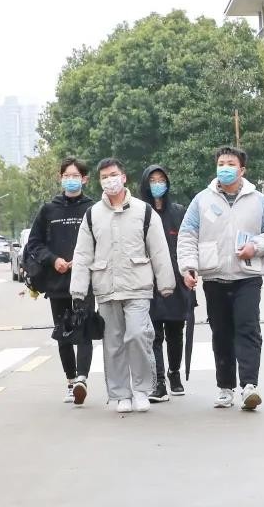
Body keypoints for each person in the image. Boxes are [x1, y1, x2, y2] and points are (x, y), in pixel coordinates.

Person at [177, 146, 264, 411]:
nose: (225, 168)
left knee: (248, 328)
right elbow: (188, 235)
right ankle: (225, 387)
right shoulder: (202, 200)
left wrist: (255, 246)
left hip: (247, 277)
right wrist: (188, 267)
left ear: (242, 170)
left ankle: (249, 385)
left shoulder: (258, 200)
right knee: (221, 333)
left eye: (231, 164)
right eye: (221, 163)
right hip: (214, 277)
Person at [70, 158, 175, 415]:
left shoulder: (144, 211)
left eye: (114, 174)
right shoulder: (92, 214)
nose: (110, 180)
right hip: (106, 286)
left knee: (138, 335)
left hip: (137, 285)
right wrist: (78, 289)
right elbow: (82, 254)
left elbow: (159, 250)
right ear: (99, 182)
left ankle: (141, 390)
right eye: (104, 177)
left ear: (124, 177)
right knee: (113, 343)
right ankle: (120, 394)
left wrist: (166, 283)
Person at [25, 157, 96, 405]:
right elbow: (34, 244)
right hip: (57, 282)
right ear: (60, 178)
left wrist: (84, 260)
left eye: (76, 176)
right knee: (63, 332)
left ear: (85, 179)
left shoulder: (93, 209)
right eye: (67, 176)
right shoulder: (48, 210)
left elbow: (102, 241)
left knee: (84, 329)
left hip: (84, 281)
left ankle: (82, 379)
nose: (71, 180)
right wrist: (53, 260)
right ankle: (70, 380)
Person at [139, 164, 195, 402]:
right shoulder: (140, 212)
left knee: (175, 332)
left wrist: (190, 271)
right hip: (148, 282)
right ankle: (159, 381)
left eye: (161, 180)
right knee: (153, 334)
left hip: (177, 282)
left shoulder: (178, 212)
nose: (157, 184)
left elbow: (188, 244)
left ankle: (174, 373)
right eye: (152, 180)